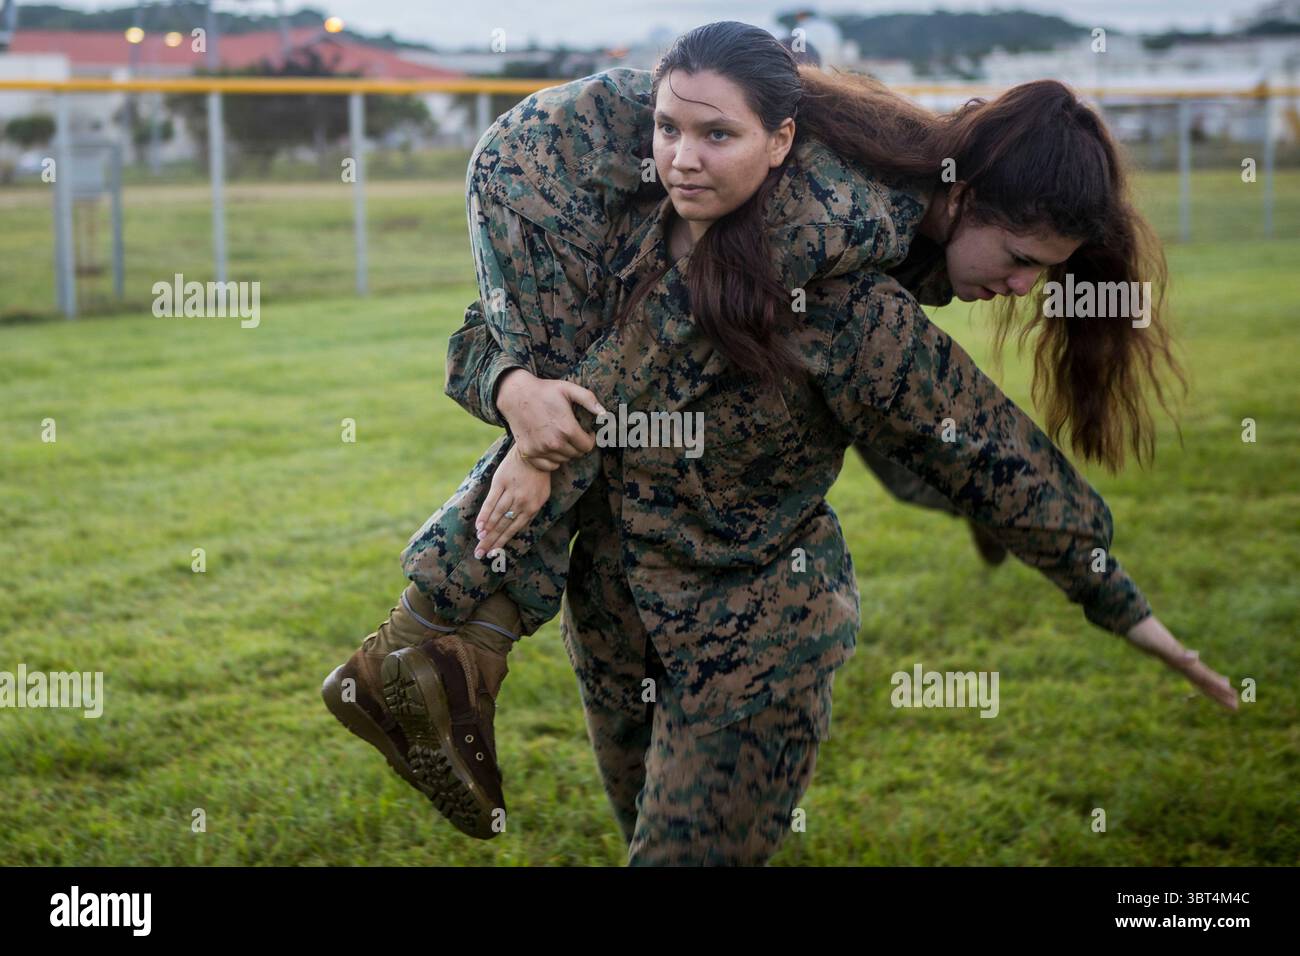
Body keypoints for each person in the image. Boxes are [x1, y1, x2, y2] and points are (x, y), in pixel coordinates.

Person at [325, 23, 1233, 863]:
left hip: (755, 634)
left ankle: (438, 640)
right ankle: (440, 645)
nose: (1022, 288)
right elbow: (482, 343)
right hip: (614, 617)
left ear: (779, 142)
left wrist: (1115, 597)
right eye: (1022, 258)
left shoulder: (853, 309)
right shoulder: (712, 228)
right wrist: (514, 390)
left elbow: (988, 452)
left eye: (1046, 273)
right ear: (960, 199)